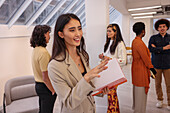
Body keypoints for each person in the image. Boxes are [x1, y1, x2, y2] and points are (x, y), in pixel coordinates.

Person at [48, 13, 110, 113]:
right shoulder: (55, 66)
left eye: (79, 28)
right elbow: (69, 102)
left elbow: (87, 88)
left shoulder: (82, 56)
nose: (78, 34)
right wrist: (86, 78)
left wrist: (100, 89)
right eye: (72, 30)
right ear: (61, 34)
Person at [99, 24, 127, 113]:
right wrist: (103, 57)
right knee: (111, 95)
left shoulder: (120, 44)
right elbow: (108, 57)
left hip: (114, 74)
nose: (108, 33)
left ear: (116, 32)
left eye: (110, 31)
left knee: (111, 95)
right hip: (107, 72)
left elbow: (123, 60)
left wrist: (109, 59)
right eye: (107, 31)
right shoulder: (108, 43)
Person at [30, 25, 56, 113]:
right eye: (48, 34)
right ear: (43, 35)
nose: (49, 36)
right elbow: (45, 77)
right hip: (45, 87)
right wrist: (53, 90)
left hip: (38, 86)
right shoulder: (43, 53)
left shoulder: (35, 50)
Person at [131, 22, 154, 113]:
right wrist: (152, 69)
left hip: (136, 70)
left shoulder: (135, 41)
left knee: (137, 92)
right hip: (140, 71)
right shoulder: (139, 42)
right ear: (143, 31)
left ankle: (137, 109)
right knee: (140, 94)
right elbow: (145, 59)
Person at [148, 19, 170, 110]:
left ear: (167, 27)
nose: (162, 28)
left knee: (169, 84)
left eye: (164, 26)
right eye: (160, 27)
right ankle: (159, 100)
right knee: (157, 84)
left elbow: (155, 49)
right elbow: (150, 49)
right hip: (156, 65)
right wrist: (164, 48)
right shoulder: (153, 38)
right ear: (157, 28)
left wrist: (157, 48)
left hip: (168, 65)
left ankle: (169, 103)